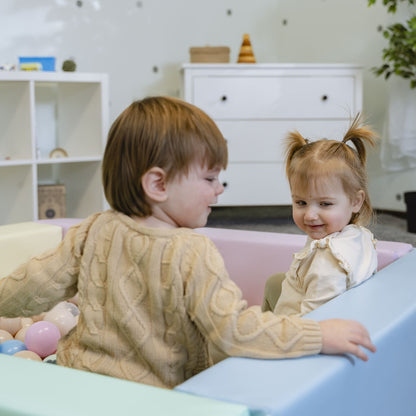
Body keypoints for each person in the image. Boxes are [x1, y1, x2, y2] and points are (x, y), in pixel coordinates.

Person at [0, 98, 375, 389]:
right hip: (156, 395)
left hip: (75, 378)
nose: (219, 189)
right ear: (159, 185)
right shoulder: (192, 251)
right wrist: (319, 334)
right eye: (210, 178)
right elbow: (235, 332)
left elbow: (31, 286)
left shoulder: (91, 228)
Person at [262, 114, 378, 317]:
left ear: (356, 201)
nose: (310, 215)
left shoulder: (327, 266)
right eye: (301, 202)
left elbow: (313, 324)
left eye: (325, 204)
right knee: (274, 282)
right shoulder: (357, 234)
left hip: (296, 334)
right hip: (303, 302)